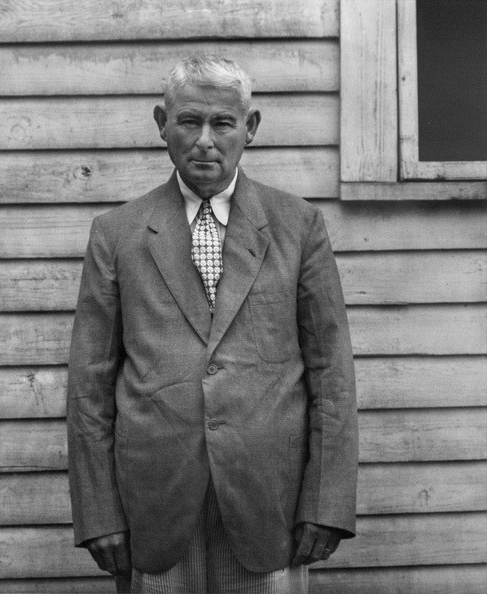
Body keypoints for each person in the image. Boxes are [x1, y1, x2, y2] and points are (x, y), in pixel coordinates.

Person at [67, 54, 358, 594]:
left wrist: (326, 500)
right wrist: (99, 512)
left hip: (269, 503)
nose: (205, 139)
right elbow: (90, 386)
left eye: (222, 123)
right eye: (188, 121)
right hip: (152, 506)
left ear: (249, 128)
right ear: (162, 125)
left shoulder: (298, 227)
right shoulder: (117, 234)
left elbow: (331, 373)